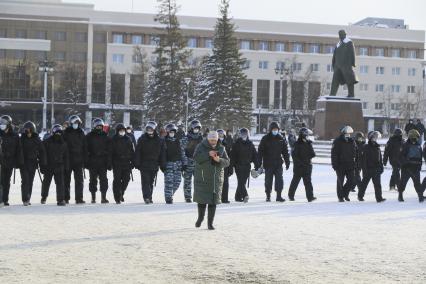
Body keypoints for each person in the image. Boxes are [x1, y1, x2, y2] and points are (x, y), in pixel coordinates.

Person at [193, 131, 230, 230]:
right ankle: (200, 218)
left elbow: (227, 162)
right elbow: (196, 158)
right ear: (208, 139)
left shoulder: (222, 148)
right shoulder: (201, 146)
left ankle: (210, 223)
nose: (213, 142)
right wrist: (207, 154)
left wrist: (219, 160)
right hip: (203, 177)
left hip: (215, 179)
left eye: (215, 140)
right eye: (211, 140)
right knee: (202, 200)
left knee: (213, 202)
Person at [258, 121, 290, 202]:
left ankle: (279, 196)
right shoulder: (265, 138)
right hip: (268, 163)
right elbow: (260, 151)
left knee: (279, 180)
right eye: (274, 129)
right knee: (268, 180)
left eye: (276, 129)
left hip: (278, 163)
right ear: (270, 129)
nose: (275, 131)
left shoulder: (281, 139)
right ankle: (268, 195)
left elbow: (285, 152)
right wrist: (258, 163)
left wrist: (287, 162)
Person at [134, 121, 166, 204]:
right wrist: (137, 162)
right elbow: (138, 151)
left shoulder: (159, 140)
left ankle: (149, 197)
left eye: (151, 129)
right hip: (144, 164)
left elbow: (162, 153)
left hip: (154, 164)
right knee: (145, 181)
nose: (149, 130)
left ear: (154, 130)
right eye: (148, 129)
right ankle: (146, 197)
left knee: (151, 182)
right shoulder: (142, 139)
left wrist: (162, 164)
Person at [40, 124, 69, 206]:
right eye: (56, 132)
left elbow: (66, 157)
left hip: (59, 166)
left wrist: (67, 167)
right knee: (46, 182)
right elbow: (42, 154)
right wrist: (42, 165)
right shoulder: (46, 142)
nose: (58, 134)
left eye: (60, 133)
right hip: (49, 165)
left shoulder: (64, 143)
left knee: (60, 183)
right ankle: (44, 197)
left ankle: (60, 200)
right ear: (53, 132)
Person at [20, 121, 46, 206]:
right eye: (26, 130)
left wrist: (42, 163)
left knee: (30, 181)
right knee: (25, 181)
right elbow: (18, 151)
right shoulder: (22, 139)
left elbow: (42, 151)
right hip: (23, 163)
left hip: (33, 163)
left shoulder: (37, 139)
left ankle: (28, 197)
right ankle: (25, 199)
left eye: (29, 130)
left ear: (33, 130)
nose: (28, 132)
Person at [86, 118, 112, 204]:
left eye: (100, 126)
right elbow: (85, 149)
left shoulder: (106, 136)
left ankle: (103, 197)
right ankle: (93, 197)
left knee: (104, 180)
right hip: (92, 161)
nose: (99, 128)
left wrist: (109, 162)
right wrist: (86, 161)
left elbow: (109, 150)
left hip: (102, 162)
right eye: (97, 126)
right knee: (93, 180)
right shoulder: (89, 136)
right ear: (94, 126)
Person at [288, 127, 317, 202]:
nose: (306, 135)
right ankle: (291, 195)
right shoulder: (297, 144)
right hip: (299, 167)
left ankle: (310, 197)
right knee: (295, 181)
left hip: (307, 166)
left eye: (307, 134)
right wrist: (300, 163)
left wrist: (308, 158)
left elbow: (313, 154)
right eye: (305, 134)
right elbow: (294, 156)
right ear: (302, 134)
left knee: (308, 182)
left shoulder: (308, 143)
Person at [63, 115, 87, 204]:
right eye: (74, 123)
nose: (76, 124)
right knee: (66, 180)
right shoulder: (66, 133)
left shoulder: (81, 132)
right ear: (71, 123)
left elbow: (85, 147)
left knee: (79, 181)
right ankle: (66, 198)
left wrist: (85, 159)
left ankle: (79, 198)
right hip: (68, 160)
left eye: (77, 123)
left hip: (79, 160)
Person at [0, 115, 24, 206]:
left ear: (9, 124)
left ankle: (5, 199)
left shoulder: (14, 135)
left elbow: (19, 149)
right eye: (1, 122)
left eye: (4, 123)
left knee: (6, 181)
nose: (2, 124)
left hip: (9, 161)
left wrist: (19, 162)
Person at [230, 128, 259, 203]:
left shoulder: (250, 144)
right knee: (241, 181)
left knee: (243, 182)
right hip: (238, 165)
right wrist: (231, 166)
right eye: (242, 134)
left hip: (247, 166)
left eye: (245, 134)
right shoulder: (236, 144)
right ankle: (245, 195)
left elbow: (255, 155)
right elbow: (233, 156)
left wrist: (257, 165)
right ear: (240, 135)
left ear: (247, 134)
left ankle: (237, 197)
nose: (244, 135)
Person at [357, 131, 386, 202]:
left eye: (376, 137)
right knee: (364, 184)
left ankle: (379, 198)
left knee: (378, 185)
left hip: (376, 169)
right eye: (374, 137)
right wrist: (364, 169)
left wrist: (381, 167)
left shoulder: (377, 147)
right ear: (370, 138)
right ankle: (360, 196)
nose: (375, 139)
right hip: (368, 169)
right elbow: (363, 160)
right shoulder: (366, 147)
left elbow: (380, 159)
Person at [331, 125, 357, 202]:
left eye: (349, 133)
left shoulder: (352, 141)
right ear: (343, 133)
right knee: (340, 181)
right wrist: (334, 164)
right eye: (346, 133)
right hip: (340, 165)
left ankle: (345, 193)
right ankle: (340, 197)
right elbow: (334, 154)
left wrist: (355, 162)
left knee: (351, 180)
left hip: (350, 164)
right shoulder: (337, 141)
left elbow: (355, 152)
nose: (348, 134)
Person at [329, 29, 359, 97]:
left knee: (350, 80)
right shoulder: (338, 44)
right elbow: (334, 55)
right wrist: (334, 64)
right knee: (335, 81)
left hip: (346, 65)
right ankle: (332, 95)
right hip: (337, 66)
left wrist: (353, 63)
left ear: (345, 34)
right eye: (339, 34)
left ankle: (351, 94)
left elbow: (352, 53)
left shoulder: (349, 42)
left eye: (342, 34)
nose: (340, 36)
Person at [398, 129, 424, 202]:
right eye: (414, 137)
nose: (416, 139)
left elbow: (420, 157)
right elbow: (400, 156)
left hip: (416, 168)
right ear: (411, 137)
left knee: (417, 183)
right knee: (403, 182)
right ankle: (400, 194)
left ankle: (420, 196)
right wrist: (405, 164)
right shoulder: (405, 145)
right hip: (407, 168)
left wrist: (419, 166)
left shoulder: (418, 146)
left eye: (417, 137)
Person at [111, 123, 134, 204]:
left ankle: (121, 193)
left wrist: (133, 162)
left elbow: (132, 151)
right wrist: (110, 163)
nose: (122, 132)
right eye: (120, 130)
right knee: (117, 180)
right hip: (117, 163)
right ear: (117, 131)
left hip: (127, 163)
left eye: (123, 130)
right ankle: (117, 197)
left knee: (126, 179)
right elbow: (111, 152)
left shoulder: (128, 139)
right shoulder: (113, 139)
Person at [163, 123, 186, 204]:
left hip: (178, 165)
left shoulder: (178, 142)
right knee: (169, 182)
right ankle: (168, 198)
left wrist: (185, 164)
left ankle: (170, 194)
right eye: (170, 132)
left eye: (173, 132)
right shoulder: (164, 141)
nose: (172, 133)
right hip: (168, 164)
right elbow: (162, 154)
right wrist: (163, 164)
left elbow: (182, 153)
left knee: (177, 182)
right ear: (168, 132)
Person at [181, 120, 203, 203]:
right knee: (187, 180)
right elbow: (182, 150)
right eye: (195, 128)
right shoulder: (186, 138)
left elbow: (205, 151)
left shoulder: (202, 139)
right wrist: (185, 162)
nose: (196, 129)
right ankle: (187, 196)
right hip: (188, 161)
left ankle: (198, 196)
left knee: (199, 180)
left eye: (198, 128)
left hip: (198, 162)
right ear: (191, 128)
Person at [217, 129, 233, 203]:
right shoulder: (214, 142)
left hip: (226, 164)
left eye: (222, 134)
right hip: (216, 164)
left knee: (225, 183)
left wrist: (230, 167)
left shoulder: (228, 142)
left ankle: (225, 198)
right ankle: (217, 198)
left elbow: (230, 155)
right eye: (219, 134)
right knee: (217, 182)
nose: (220, 135)